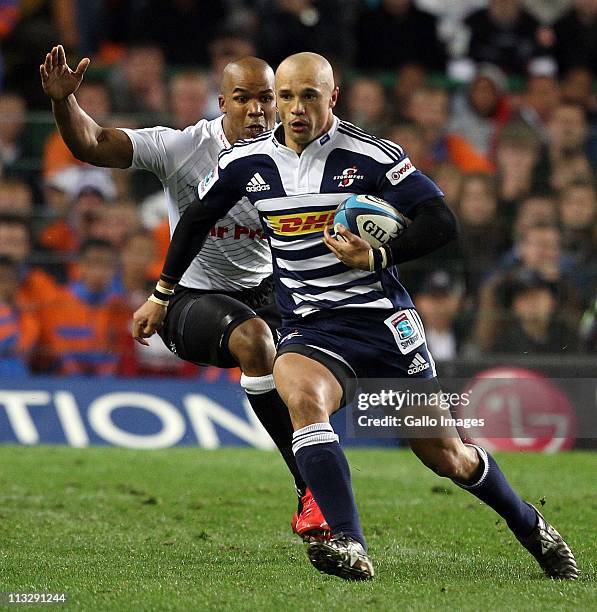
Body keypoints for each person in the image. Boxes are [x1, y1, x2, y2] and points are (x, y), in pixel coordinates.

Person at [137, 52, 578, 581]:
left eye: (309, 96)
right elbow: (194, 222)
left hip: (382, 325)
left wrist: (379, 256)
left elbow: (441, 221)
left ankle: (530, 525)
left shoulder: (371, 157)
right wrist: (163, 294)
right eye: (286, 97)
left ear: (333, 98)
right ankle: (347, 540)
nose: (295, 109)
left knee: (447, 456)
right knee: (299, 392)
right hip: (311, 326)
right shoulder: (245, 164)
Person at [40, 45, 328, 539]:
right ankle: (309, 488)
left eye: (266, 100)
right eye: (242, 99)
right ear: (221, 103)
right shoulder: (183, 148)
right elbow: (92, 143)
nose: (257, 110)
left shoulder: (298, 156)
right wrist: (64, 102)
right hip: (187, 300)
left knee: (320, 377)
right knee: (254, 341)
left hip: (268, 294)